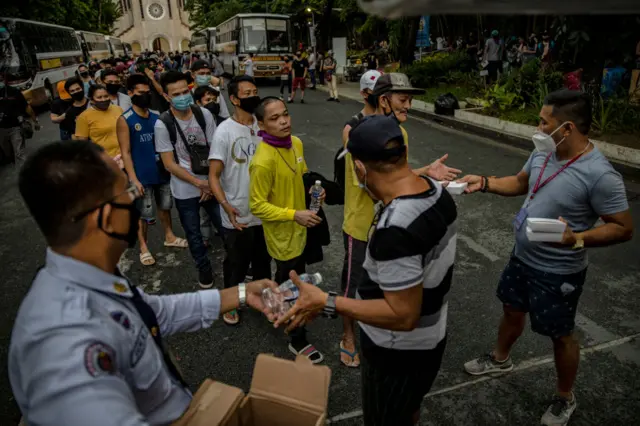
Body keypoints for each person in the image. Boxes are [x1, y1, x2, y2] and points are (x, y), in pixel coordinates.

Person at [9, 140, 278, 426]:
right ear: (106, 217)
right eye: (126, 189)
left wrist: (241, 293)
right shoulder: (66, 344)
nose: (136, 195)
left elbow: (150, 312)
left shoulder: (88, 275)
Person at [459, 90, 634, 426]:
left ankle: (565, 397)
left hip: (558, 272)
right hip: (522, 258)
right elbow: (521, 183)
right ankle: (500, 359)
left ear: (566, 128)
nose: (537, 128)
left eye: (544, 122)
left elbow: (623, 228)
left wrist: (578, 238)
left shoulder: (599, 174)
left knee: (561, 334)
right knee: (511, 311)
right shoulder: (543, 151)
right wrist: (483, 182)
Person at [276, 114, 457, 426]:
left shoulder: (396, 228)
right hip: (432, 339)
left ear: (359, 167)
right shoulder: (436, 191)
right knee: (407, 409)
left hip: (396, 355)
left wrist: (325, 301)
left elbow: (402, 315)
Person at [338, 72, 460, 368]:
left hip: (392, 220)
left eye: (410, 99)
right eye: (403, 99)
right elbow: (370, 187)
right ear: (384, 100)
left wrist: (424, 174)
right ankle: (348, 336)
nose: (409, 105)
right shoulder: (357, 133)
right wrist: (425, 174)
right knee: (355, 284)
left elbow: (398, 176)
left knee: (392, 287)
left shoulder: (398, 132)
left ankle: (381, 327)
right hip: (362, 224)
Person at [250, 97, 324, 364]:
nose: (284, 121)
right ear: (260, 124)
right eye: (274, 118)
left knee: (293, 278)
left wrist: (316, 191)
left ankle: (273, 303)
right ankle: (297, 339)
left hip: (303, 228)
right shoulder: (262, 162)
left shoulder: (296, 143)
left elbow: (302, 176)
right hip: (282, 235)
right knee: (292, 283)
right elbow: (257, 206)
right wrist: (294, 214)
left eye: (286, 114)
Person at [208, 76, 271, 325]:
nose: (253, 96)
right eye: (247, 93)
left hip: (265, 211)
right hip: (238, 211)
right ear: (234, 99)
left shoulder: (264, 126)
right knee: (236, 262)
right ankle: (230, 303)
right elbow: (213, 176)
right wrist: (225, 205)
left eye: (255, 91)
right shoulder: (224, 131)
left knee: (263, 262)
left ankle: (264, 298)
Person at [155, 71, 222, 289]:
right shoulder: (162, 124)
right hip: (185, 190)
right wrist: (198, 183)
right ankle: (204, 270)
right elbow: (169, 164)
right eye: (177, 94)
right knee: (193, 234)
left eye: (186, 91)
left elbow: (216, 151)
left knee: (226, 226)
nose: (183, 96)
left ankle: (240, 264)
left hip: (211, 185)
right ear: (166, 97)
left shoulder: (204, 115)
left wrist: (210, 182)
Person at [117, 73, 188, 267]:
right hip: (139, 177)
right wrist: (133, 179)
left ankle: (169, 236)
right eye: (141, 93)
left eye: (148, 92)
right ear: (130, 93)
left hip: (161, 173)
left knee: (165, 207)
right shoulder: (125, 120)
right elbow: (125, 152)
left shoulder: (157, 116)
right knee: (143, 215)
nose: (146, 96)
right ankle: (144, 247)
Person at [74, 85, 123, 160]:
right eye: (99, 97)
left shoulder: (118, 109)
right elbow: (82, 145)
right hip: (105, 159)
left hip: (125, 155)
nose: (103, 100)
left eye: (106, 96)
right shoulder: (83, 117)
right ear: (92, 100)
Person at [0, 73, 38, 166]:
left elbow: (27, 107)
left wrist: (35, 121)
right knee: (8, 153)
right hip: (1, 130)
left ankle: (24, 175)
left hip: (15, 127)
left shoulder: (14, 91)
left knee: (19, 154)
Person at [51, 77, 89, 141]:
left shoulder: (93, 103)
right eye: (72, 91)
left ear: (82, 88)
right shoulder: (69, 112)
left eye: (78, 89)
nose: (76, 92)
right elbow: (73, 135)